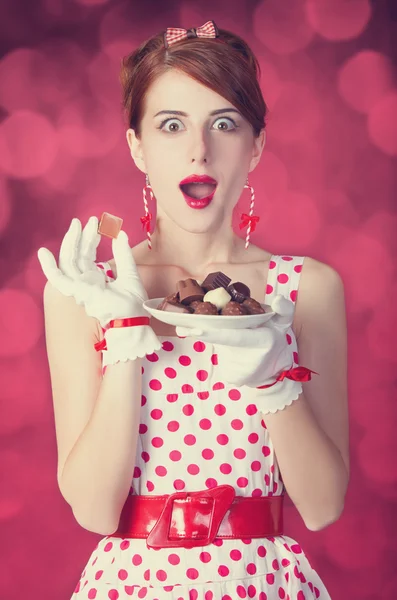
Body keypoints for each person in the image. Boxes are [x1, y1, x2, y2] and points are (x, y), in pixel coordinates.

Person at [38, 20, 349, 600]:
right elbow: (94, 510)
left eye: (224, 124)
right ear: (137, 146)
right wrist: (125, 333)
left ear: (255, 146)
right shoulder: (82, 293)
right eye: (171, 124)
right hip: (132, 585)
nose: (198, 149)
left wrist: (273, 380)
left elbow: (324, 506)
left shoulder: (305, 289)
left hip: (264, 584)